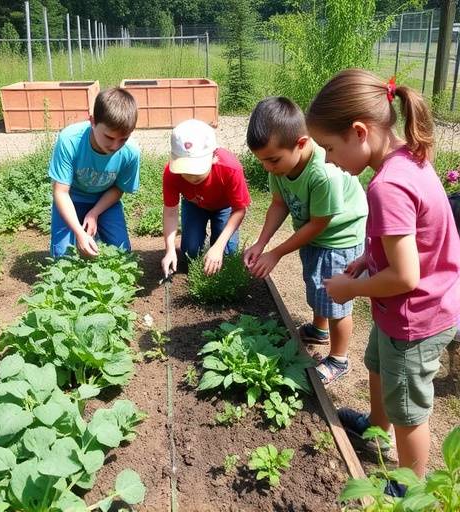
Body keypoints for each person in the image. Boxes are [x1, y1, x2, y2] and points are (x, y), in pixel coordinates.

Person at [306, 69, 460, 485]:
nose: (328, 160)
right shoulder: (407, 158)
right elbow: (408, 245)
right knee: (376, 366)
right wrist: (366, 263)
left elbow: (407, 276)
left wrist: (351, 288)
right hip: (410, 309)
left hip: (416, 318)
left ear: (359, 132)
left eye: (330, 148)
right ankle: (377, 431)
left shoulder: (386, 186)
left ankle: (408, 482)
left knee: (409, 408)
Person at [244, 97, 368, 386]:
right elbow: (278, 204)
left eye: (272, 159)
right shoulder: (280, 167)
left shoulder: (323, 172)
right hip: (314, 231)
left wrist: (276, 253)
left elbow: (320, 223)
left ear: (301, 143)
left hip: (340, 236)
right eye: (261, 160)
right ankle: (318, 330)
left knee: (336, 298)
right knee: (316, 281)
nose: (266, 167)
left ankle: (339, 358)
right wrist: (261, 244)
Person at [49, 86, 140, 258]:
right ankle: (82, 234)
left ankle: (93, 230)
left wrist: (94, 213)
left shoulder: (131, 152)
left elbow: (118, 188)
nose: (115, 146)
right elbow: (60, 192)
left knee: (122, 254)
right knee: (62, 258)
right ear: (92, 121)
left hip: (104, 201)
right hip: (71, 199)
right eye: (109, 137)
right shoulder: (69, 140)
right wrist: (79, 232)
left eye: (123, 139)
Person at [161, 119, 250, 277]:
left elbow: (239, 209)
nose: (191, 177)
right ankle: (200, 244)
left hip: (225, 207)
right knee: (190, 253)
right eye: (185, 170)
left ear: (213, 156)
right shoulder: (171, 173)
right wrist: (169, 250)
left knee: (228, 253)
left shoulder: (230, 167)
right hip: (194, 205)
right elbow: (170, 212)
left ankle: (217, 242)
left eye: (197, 170)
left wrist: (218, 246)